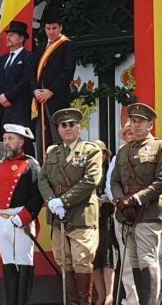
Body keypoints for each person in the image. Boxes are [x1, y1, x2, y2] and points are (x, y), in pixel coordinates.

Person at [38, 108, 103, 305]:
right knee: (64, 260)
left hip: (81, 213)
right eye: (63, 125)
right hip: (58, 215)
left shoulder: (91, 150)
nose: (68, 128)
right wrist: (51, 200)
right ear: (58, 129)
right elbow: (42, 178)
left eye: (72, 124)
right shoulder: (52, 152)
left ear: (79, 128)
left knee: (82, 260)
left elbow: (91, 180)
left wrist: (63, 201)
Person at [110, 103, 162, 305]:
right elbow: (114, 181)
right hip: (126, 214)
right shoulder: (124, 150)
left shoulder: (161, 146)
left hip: (148, 212)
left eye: (140, 122)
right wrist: (121, 201)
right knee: (134, 260)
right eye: (133, 121)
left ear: (150, 124)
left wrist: (135, 199)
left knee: (146, 259)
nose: (135, 125)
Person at [0, 123, 43, 305]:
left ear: (21, 142)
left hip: (21, 221)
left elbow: (37, 196)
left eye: (11, 138)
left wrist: (24, 217)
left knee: (24, 264)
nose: (6, 142)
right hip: (2, 221)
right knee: (8, 265)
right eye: (4, 139)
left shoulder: (31, 164)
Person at [27, 9, 77, 152]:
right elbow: (31, 70)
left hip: (57, 99)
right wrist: (35, 90)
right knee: (42, 138)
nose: (51, 31)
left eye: (54, 28)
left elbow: (67, 72)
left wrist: (50, 91)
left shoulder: (67, 45)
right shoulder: (41, 47)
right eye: (48, 28)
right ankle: (44, 164)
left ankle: (60, 164)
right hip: (39, 99)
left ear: (60, 28)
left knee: (58, 137)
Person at [0, 21, 34, 157]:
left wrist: (8, 96)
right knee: (8, 143)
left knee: (24, 144)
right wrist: (0, 96)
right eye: (8, 35)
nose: (8, 37)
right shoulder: (2, 59)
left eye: (11, 35)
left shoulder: (28, 57)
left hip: (20, 109)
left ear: (21, 38)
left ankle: (28, 168)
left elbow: (26, 80)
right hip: (4, 109)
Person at [93, 140, 119, 305]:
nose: (99, 156)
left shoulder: (111, 169)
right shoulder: (86, 171)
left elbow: (116, 189)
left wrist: (105, 198)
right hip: (91, 219)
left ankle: (109, 296)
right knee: (93, 258)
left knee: (108, 255)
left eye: (101, 153)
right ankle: (100, 296)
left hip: (108, 216)